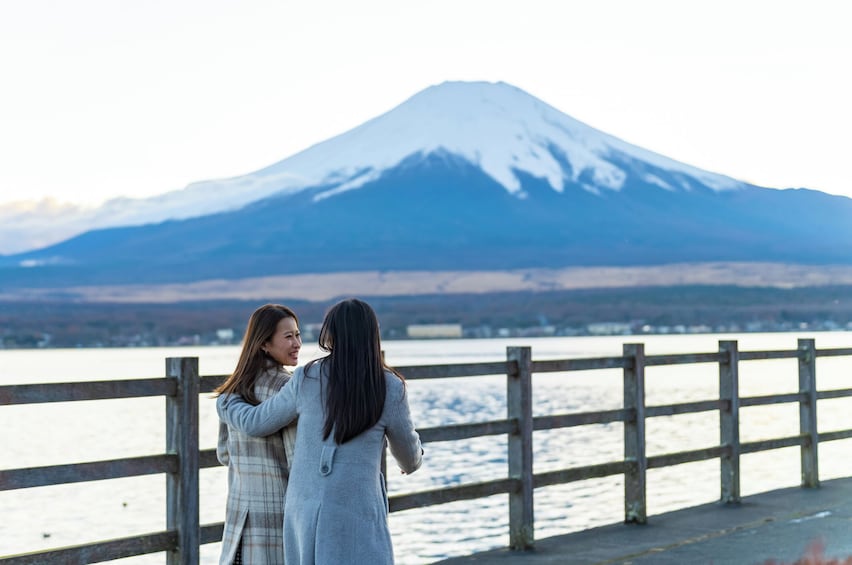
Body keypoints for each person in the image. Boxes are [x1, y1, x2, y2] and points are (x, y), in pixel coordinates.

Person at [217, 297, 423, 565]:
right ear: (373, 334)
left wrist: (227, 402)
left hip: (304, 508)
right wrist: (413, 459)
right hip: (357, 505)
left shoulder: (306, 378)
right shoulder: (389, 385)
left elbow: (257, 422)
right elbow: (408, 455)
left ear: (331, 334)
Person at [213, 303, 302, 565]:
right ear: (264, 344)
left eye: (297, 334)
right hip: (282, 518)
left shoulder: (234, 390)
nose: (297, 343)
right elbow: (298, 461)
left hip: (241, 514)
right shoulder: (290, 389)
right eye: (288, 337)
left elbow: (224, 454)